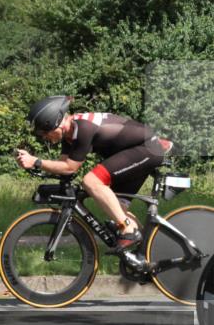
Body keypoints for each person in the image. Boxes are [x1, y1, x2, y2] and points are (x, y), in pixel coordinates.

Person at [16, 96, 172, 270]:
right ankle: (147, 257)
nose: (44, 137)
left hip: (147, 148)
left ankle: (129, 231)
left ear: (55, 123)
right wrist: (34, 166)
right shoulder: (69, 135)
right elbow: (61, 168)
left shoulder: (83, 128)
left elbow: (69, 168)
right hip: (135, 150)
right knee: (115, 208)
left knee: (91, 181)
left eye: (44, 132)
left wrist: (36, 161)